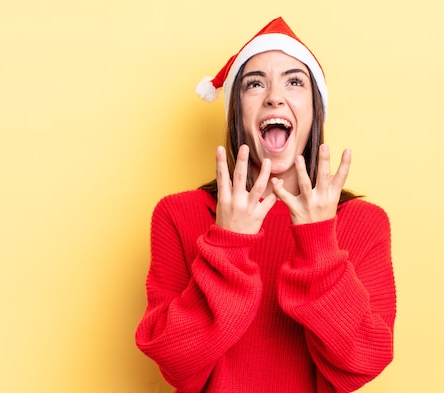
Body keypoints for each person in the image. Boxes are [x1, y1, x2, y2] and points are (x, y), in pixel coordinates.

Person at [135, 17, 396, 393]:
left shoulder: (363, 222)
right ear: (236, 111)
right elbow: (176, 363)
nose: (275, 96)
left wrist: (320, 242)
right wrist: (228, 242)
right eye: (255, 84)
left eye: (294, 81)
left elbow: (361, 361)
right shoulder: (179, 214)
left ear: (314, 109)